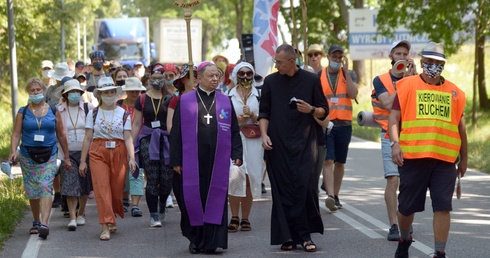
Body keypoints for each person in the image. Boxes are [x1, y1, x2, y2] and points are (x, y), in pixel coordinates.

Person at [389, 42, 467, 258]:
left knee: (443, 207)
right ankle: (404, 239)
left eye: (438, 62)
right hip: (413, 157)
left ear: (443, 64)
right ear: (422, 62)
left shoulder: (456, 93)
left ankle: (439, 252)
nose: (434, 65)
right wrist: (395, 144)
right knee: (406, 207)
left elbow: (461, 127)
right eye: (430, 62)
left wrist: (464, 159)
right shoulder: (406, 86)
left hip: (445, 160)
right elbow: (394, 118)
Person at [258, 44, 328, 252]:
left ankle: (305, 237)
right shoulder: (270, 82)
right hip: (277, 145)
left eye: (279, 62)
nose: (276, 65)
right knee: (282, 190)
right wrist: (264, 135)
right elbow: (264, 113)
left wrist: (312, 109)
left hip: (306, 144)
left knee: (305, 188)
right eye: (275, 62)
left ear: (291, 61)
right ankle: (286, 236)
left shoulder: (311, 80)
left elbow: (324, 111)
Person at [169, 62, 242, 254]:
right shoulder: (186, 101)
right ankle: (195, 239)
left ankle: (213, 241)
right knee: (193, 199)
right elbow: (176, 132)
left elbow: (234, 129)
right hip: (192, 160)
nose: (215, 79)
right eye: (210, 76)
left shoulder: (225, 101)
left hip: (218, 158)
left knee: (215, 198)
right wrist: (175, 160)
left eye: (217, 76)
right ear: (198, 78)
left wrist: (237, 153)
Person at [9, 78, 71, 239]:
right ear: (28, 93)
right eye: (32, 90)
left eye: (38, 90)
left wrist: (67, 156)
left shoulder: (53, 110)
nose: (35, 93)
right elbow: (16, 134)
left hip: (49, 154)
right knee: (32, 190)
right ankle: (36, 221)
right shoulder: (22, 112)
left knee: (45, 186)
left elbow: (62, 134)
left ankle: (44, 223)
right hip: (28, 156)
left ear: (43, 91)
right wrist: (13, 151)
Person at [79, 76, 136, 241]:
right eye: (106, 92)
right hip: (98, 151)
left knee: (117, 191)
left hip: (119, 151)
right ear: (100, 95)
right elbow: (88, 138)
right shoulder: (93, 113)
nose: (109, 94)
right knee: (101, 188)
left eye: (112, 91)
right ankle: (105, 225)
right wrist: (83, 161)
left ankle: (112, 215)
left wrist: (131, 158)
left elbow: (127, 138)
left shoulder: (124, 114)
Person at [371, 40, 418, 241]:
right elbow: (389, 104)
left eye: (404, 54)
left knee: (410, 182)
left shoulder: (417, 78)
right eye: (397, 53)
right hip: (389, 134)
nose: (401, 57)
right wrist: (405, 83)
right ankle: (393, 225)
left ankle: (406, 222)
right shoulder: (380, 79)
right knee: (393, 178)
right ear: (391, 56)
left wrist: (415, 78)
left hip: (412, 135)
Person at [131, 63, 174, 227]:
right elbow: (136, 123)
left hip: (166, 140)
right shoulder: (142, 99)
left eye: (160, 78)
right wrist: (131, 145)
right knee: (152, 177)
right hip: (148, 140)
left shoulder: (170, 98)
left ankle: (162, 203)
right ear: (149, 79)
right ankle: (154, 215)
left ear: (164, 79)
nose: (157, 81)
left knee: (166, 179)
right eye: (154, 78)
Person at [320, 44, 358, 211]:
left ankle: (335, 194)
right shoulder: (319, 75)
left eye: (339, 57)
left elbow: (354, 94)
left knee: (340, 162)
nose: (337, 60)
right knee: (328, 159)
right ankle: (329, 195)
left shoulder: (348, 74)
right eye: (334, 56)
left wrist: (347, 73)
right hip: (327, 123)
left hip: (345, 124)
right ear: (328, 57)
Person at [227, 62, 264, 233]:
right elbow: (223, 119)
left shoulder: (259, 95)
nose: (245, 77)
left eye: (249, 73)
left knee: (250, 178)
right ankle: (234, 216)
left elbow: (266, 118)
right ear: (236, 75)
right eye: (241, 73)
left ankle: (245, 218)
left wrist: (254, 116)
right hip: (235, 140)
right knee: (235, 177)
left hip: (254, 140)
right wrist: (238, 120)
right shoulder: (228, 95)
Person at [55, 79, 94, 231]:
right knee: (70, 184)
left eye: (77, 92)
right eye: (71, 92)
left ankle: (81, 213)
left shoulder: (88, 107)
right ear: (65, 94)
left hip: (86, 151)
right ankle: (72, 217)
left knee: (84, 185)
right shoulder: (59, 110)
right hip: (67, 152)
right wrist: (64, 156)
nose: (75, 94)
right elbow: (58, 133)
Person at [118, 77, 147, 217]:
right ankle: (124, 199)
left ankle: (135, 204)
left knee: (136, 172)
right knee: (122, 173)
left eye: (137, 91)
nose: (135, 94)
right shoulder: (118, 105)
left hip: (139, 143)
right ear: (126, 92)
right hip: (120, 143)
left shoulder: (143, 105)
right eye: (132, 91)